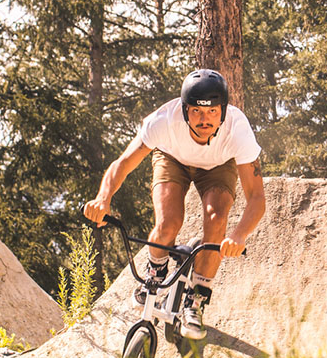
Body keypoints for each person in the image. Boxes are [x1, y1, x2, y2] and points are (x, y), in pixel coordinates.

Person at [83, 69, 266, 340]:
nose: (205, 119)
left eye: (213, 112)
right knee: (168, 222)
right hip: (172, 159)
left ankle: (196, 300)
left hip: (218, 166)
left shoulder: (238, 130)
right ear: (184, 110)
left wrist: (238, 235)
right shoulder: (163, 121)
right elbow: (123, 163)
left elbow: (257, 197)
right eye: (197, 112)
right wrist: (103, 198)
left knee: (216, 219)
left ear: (224, 111)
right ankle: (155, 271)